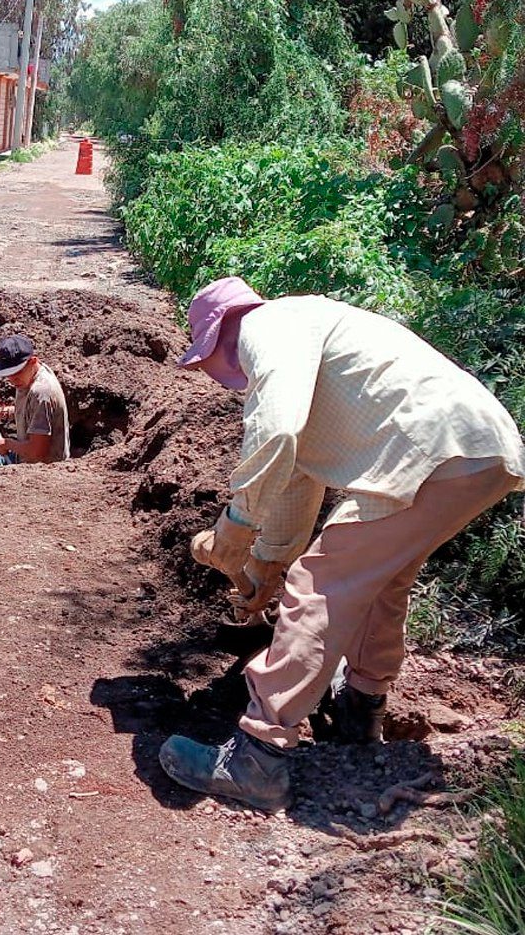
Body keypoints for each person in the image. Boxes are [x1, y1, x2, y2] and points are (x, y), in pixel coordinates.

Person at [158, 276, 525, 812]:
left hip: (432, 454)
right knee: (380, 581)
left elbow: (276, 432)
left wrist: (233, 528)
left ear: (220, 338)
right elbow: (295, 489)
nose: (211, 379)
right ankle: (360, 712)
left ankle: (259, 756)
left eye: (202, 361)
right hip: (475, 452)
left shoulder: (268, 325)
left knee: (318, 584)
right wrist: (263, 567)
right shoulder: (309, 339)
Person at [0, 334, 70, 466]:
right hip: (22, 458)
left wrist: (8, 444)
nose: (13, 380)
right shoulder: (29, 375)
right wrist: (1, 412)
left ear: (33, 361)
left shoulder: (42, 391)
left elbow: (37, 452)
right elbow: (32, 411)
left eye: (16, 373)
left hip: (42, 470)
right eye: (9, 374)